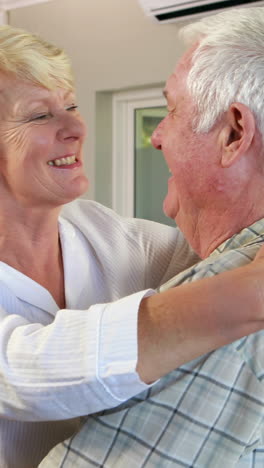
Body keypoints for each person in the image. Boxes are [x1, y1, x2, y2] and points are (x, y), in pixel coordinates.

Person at [0, 20, 262, 468]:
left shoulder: (113, 236)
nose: (77, 128)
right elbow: (18, 372)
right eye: (42, 114)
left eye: (71, 105)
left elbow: (225, 251)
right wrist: (245, 295)